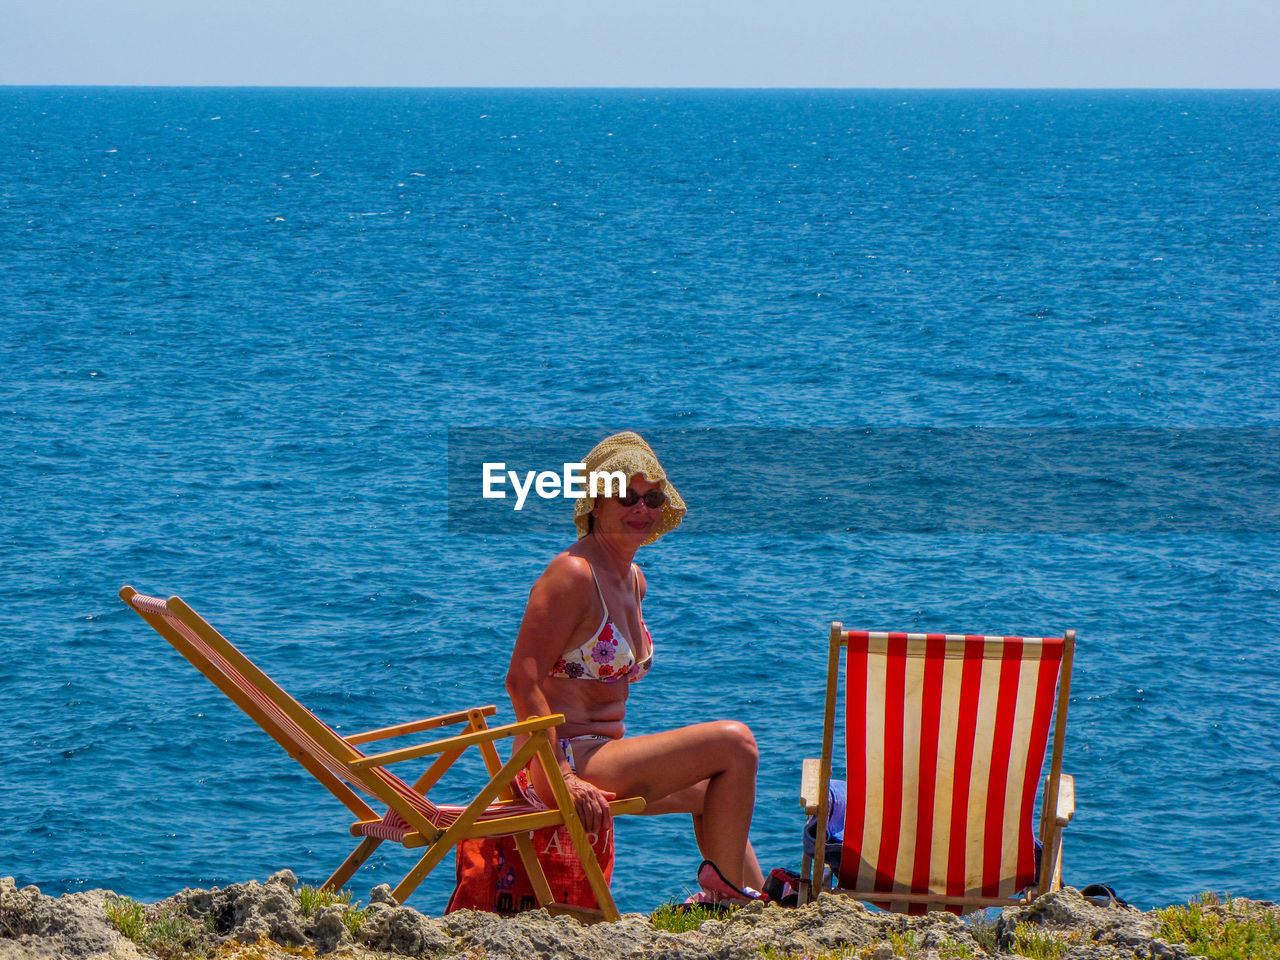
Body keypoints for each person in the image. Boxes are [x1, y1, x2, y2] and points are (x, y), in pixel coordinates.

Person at [505, 431, 766, 905]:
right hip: (558, 757)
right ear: (596, 505)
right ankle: (729, 901)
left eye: (652, 497)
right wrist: (562, 775)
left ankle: (756, 900)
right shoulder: (572, 574)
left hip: (602, 752)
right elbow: (521, 681)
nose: (640, 508)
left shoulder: (632, 578)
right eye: (625, 496)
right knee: (736, 743)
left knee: (716, 789)